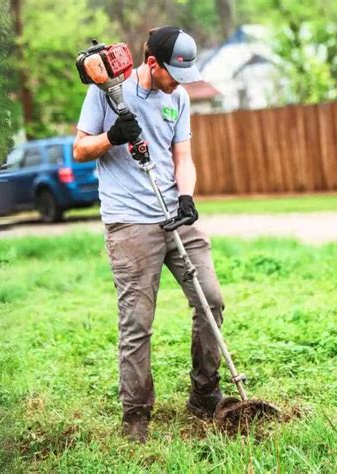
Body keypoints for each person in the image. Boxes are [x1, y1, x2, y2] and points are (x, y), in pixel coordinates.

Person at [74, 26, 225, 443]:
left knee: (211, 302)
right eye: (175, 72)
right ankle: (136, 415)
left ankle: (205, 393)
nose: (180, 82)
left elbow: (184, 157)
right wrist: (112, 137)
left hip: (175, 212)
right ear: (153, 63)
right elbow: (80, 149)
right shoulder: (107, 91)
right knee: (138, 322)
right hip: (129, 221)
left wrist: (188, 197)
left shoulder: (177, 96)